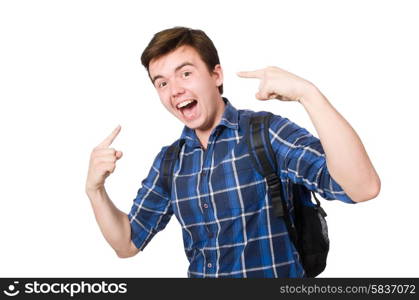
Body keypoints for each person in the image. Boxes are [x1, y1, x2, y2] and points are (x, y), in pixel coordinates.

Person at [85, 27, 380, 278]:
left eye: (185, 73)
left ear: (216, 75)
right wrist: (95, 190)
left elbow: (362, 187)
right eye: (162, 82)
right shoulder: (170, 161)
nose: (174, 89)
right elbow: (127, 244)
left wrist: (308, 93)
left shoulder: (265, 133)